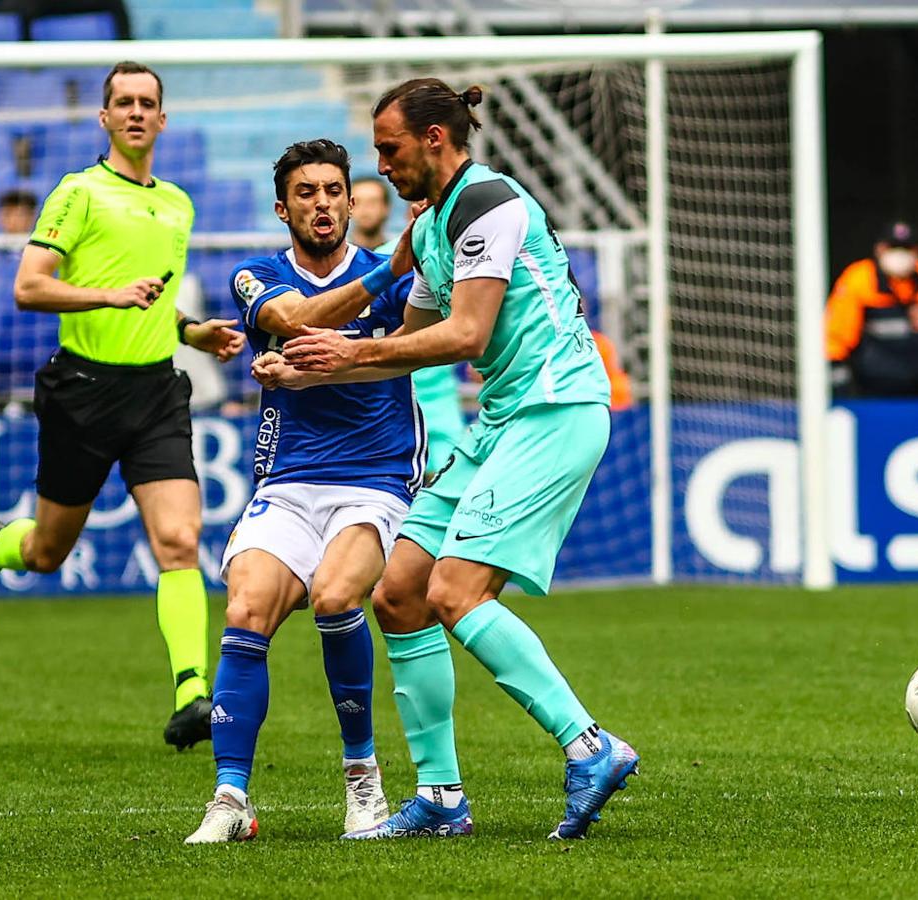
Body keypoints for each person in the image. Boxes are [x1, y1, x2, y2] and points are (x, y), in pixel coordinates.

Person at [265, 78, 640, 841]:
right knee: (398, 591)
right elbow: (403, 349)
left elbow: (465, 335)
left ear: (435, 138)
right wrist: (317, 367)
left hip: (555, 408)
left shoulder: (487, 201)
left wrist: (351, 347)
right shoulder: (433, 225)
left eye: (389, 148)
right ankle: (440, 798)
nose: (381, 164)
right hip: (504, 415)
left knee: (455, 591)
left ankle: (590, 746)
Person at [0, 62, 246, 749]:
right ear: (103, 118)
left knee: (179, 542)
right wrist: (105, 296)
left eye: (147, 103)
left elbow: (155, 309)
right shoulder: (78, 193)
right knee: (47, 552)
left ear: (163, 120)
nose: (136, 112)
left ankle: (193, 693)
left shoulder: (178, 205)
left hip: (157, 392)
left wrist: (194, 332)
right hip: (82, 392)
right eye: (123, 102)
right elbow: (28, 287)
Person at [184, 139, 425, 844]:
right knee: (247, 606)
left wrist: (394, 277)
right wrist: (387, 274)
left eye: (332, 191)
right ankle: (230, 799)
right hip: (288, 479)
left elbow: (438, 340)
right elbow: (297, 320)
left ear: (351, 202)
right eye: (307, 193)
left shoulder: (403, 281)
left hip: (376, 475)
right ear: (282, 206)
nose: (321, 204)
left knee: (335, 595)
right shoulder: (255, 275)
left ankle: (363, 781)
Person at [376, 206, 465, 470]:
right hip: (396, 384)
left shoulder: (464, 252)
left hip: (440, 388)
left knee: (448, 477)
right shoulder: (385, 258)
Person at [826, 222, 918, 398]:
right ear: (879, 249)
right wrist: (839, 388)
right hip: (871, 392)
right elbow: (836, 336)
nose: (900, 254)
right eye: (893, 247)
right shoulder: (859, 279)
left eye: (907, 248)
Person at [349, 175, 392, 251]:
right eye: (357, 202)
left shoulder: (398, 251)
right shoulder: (336, 254)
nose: (364, 209)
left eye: (372, 202)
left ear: (386, 207)